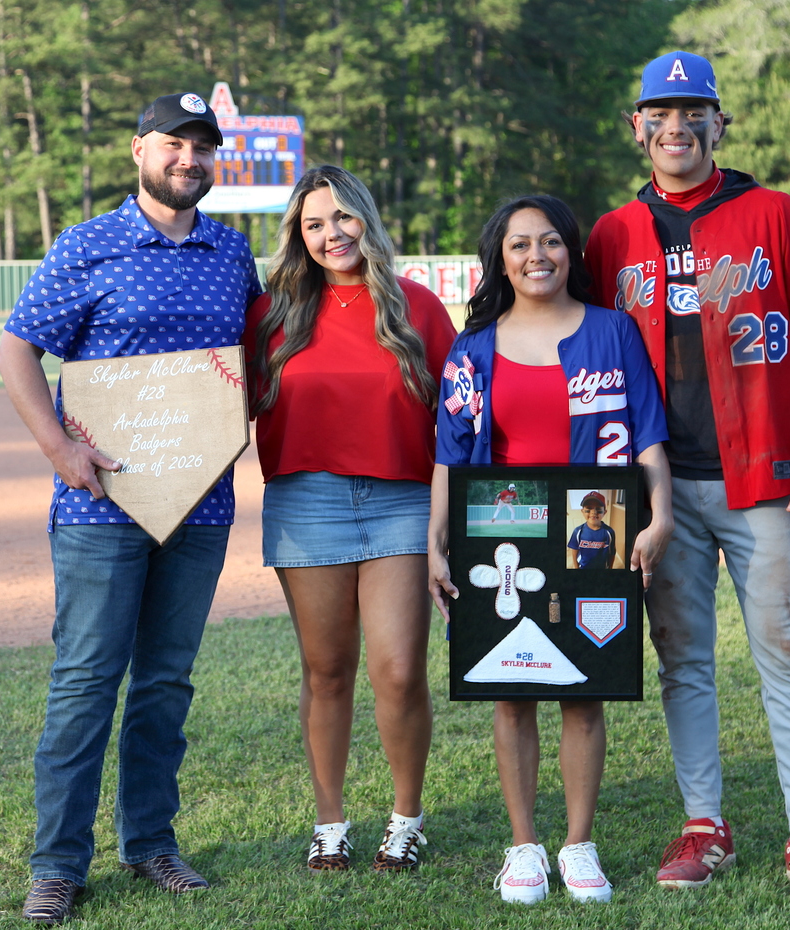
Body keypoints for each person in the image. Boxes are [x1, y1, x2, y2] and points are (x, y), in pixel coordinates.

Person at [584, 51, 790, 912]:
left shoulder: (773, 212)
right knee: (684, 663)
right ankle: (706, 826)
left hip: (768, 479)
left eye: (693, 110)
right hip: (661, 492)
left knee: (787, 657)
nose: (676, 126)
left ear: (719, 122)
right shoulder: (610, 234)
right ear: (637, 127)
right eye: (659, 112)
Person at [0, 92, 260, 924]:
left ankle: (150, 843)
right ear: (139, 150)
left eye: (202, 147)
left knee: (165, 684)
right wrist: (60, 449)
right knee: (85, 683)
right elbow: (17, 347)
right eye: (174, 144)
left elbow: (249, 360)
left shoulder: (231, 251)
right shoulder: (90, 245)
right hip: (100, 507)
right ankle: (57, 865)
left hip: (200, 504)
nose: (190, 158)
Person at [428, 195, 673, 905]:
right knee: (512, 693)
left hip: (591, 531)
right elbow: (449, 456)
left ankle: (578, 843)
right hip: (501, 534)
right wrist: (434, 543)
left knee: (584, 694)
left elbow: (648, 434)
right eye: (520, 245)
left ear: (572, 251)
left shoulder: (613, 332)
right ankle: (524, 846)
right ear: (499, 260)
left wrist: (660, 518)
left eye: (552, 242)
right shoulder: (472, 349)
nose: (537, 256)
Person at [243, 165, 456, 873]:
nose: (331, 234)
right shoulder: (271, 313)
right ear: (297, 236)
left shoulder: (418, 307)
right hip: (307, 502)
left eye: (342, 218)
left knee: (398, 671)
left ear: (366, 218)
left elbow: (459, 423)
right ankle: (329, 822)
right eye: (313, 224)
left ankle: (406, 818)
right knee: (326, 669)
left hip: (402, 500)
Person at [568, 491, 616, 569]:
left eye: (598, 509)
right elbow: (574, 552)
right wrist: (576, 567)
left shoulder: (609, 532)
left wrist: (610, 567)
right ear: (582, 511)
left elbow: (612, 552)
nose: (593, 512)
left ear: (604, 512)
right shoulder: (578, 531)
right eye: (588, 509)